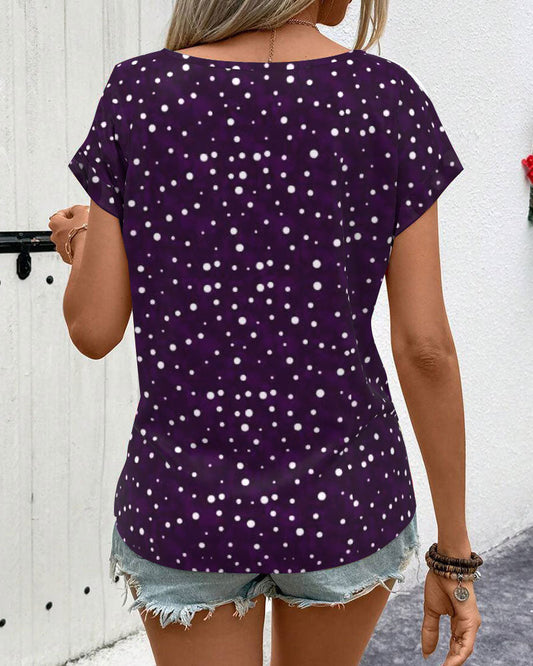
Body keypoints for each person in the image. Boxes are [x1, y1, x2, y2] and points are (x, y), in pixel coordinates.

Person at [49, 1, 482, 664]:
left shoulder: (141, 92)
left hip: (187, 501)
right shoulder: (385, 98)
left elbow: (92, 326)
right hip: (343, 497)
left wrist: (82, 239)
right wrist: (452, 554)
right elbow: (425, 349)